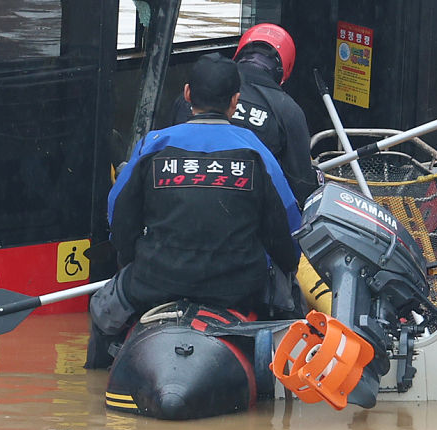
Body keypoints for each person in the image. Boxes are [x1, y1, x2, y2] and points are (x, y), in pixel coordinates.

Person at [89, 55, 302, 367]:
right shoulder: (257, 152)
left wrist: (134, 260)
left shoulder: (154, 145)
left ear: (187, 94)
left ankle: (99, 376)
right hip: (240, 286)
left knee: (100, 313)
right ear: (235, 101)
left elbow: (118, 218)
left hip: (155, 281)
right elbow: (288, 231)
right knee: (291, 305)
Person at [170, 23, 317, 203]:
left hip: (181, 202)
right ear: (234, 101)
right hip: (245, 213)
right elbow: (300, 185)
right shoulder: (288, 110)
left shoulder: (193, 97)